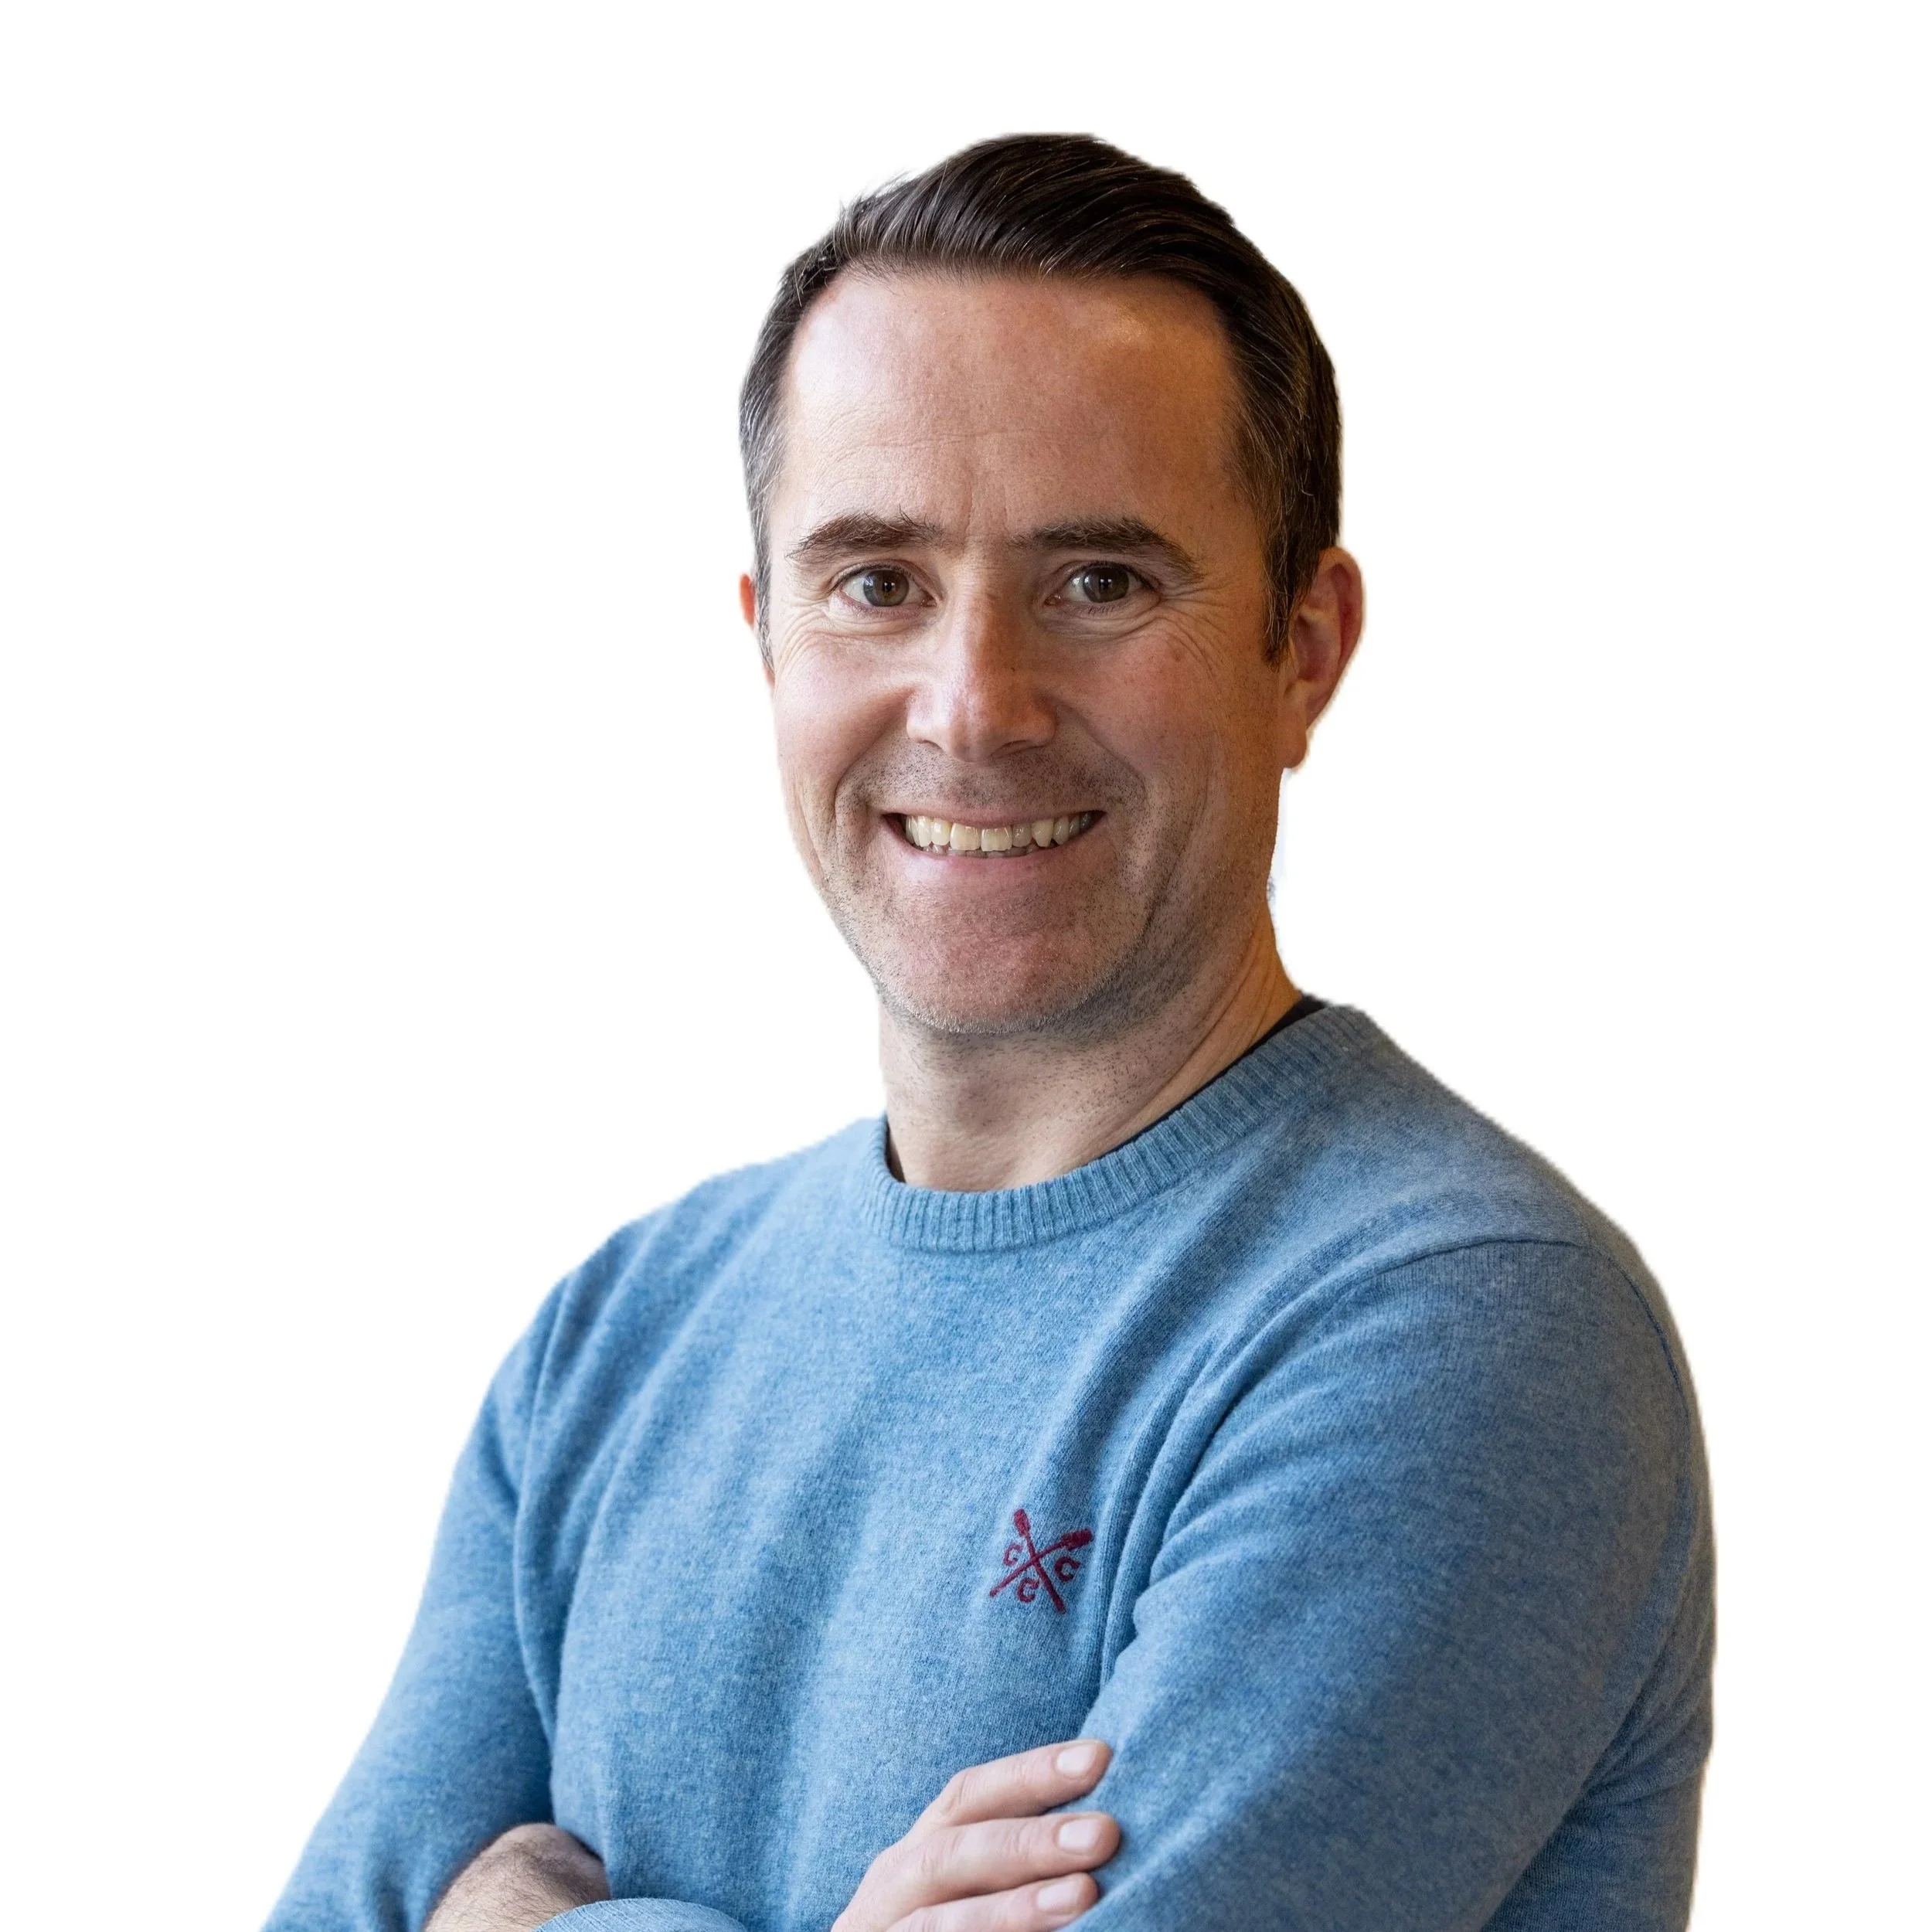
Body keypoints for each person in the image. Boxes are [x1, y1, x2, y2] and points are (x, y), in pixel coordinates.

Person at [267, 134, 1714, 1932]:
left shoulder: (1452, 1324)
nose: (972, 707)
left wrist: (517, 1916)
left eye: (1097, 581)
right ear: (766, 639)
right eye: (875, 581)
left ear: (1303, 647)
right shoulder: (616, 1337)